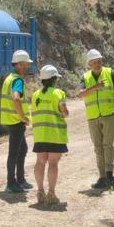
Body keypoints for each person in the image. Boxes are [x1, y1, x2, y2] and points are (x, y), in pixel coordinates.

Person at [77, 49, 114, 190]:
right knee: (98, 147)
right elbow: (80, 94)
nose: (97, 64)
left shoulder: (111, 73)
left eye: (98, 62)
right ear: (89, 64)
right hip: (93, 117)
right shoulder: (85, 77)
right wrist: (96, 87)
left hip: (109, 115)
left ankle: (110, 175)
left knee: (107, 145)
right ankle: (102, 177)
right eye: (94, 62)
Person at [31, 65, 70, 205]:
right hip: (55, 134)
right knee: (53, 163)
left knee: (40, 162)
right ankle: (51, 194)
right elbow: (64, 112)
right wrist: (64, 113)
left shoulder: (35, 95)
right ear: (54, 79)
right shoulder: (58, 93)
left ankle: (40, 192)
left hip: (40, 135)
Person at [1, 50, 34, 194]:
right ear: (19, 64)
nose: (28, 66)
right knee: (14, 153)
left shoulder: (9, 78)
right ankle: (11, 183)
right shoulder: (17, 80)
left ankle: (20, 179)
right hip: (16, 122)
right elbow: (15, 98)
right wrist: (22, 117)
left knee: (22, 150)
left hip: (11, 121)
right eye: (26, 63)